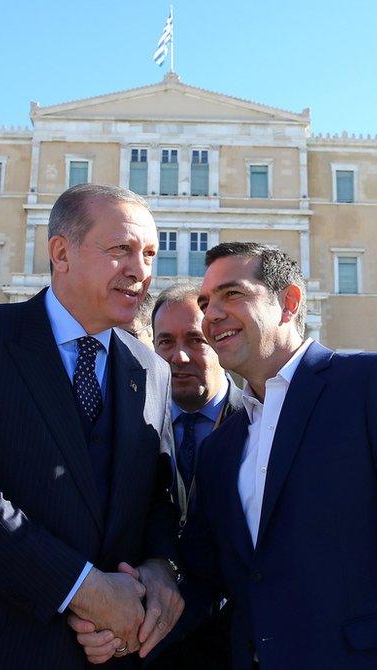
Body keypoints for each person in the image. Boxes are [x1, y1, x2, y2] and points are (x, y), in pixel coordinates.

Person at [0, 184, 182, 669]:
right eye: (121, 250)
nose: (141, 271)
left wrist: (158, 572)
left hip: (103, 652)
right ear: (61, 253)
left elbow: (157, 499)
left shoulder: (151, 370)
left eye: (149, 254)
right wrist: (83, 589)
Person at [175, 243, 377, 668]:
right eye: (205, 303)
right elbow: (206, 574)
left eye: (232, 294)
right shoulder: (221, 446)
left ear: (289, 302)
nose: (212, 314)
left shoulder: (375, 385)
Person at [148, 284, 243, 669]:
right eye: (165, 342)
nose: (179, 356)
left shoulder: (261, 423)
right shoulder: (132, 429)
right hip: (150, 643)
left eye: (195, 340)